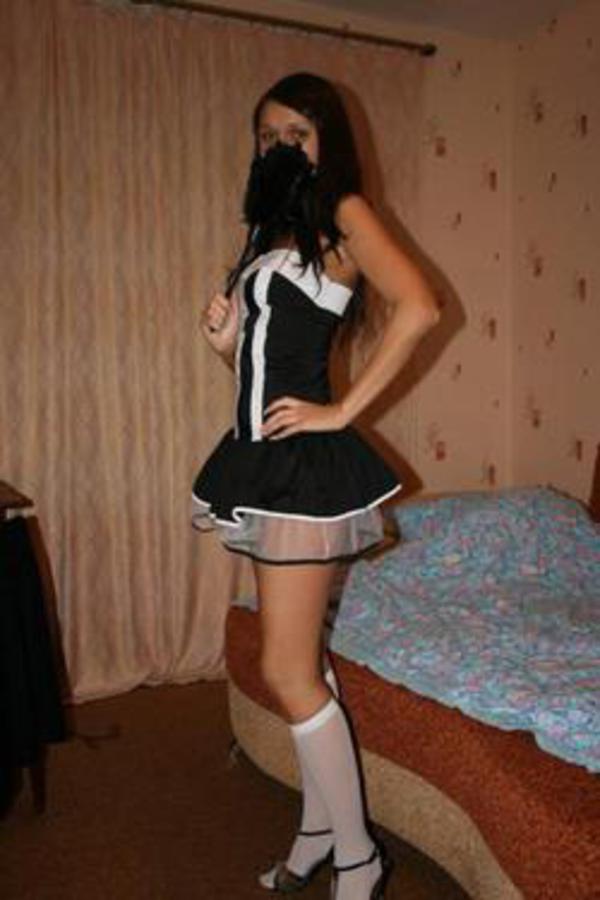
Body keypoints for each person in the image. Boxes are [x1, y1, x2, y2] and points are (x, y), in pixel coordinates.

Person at [192, 72, 440, 900]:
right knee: (302, 663)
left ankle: (360, 859)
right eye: (268, 136)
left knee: (287, 670)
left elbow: (420, 307)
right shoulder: (272, 232)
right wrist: (226, 347)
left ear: (326, 139)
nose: (280, 147)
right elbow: (268, 369)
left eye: (296, 133)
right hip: (264, 463)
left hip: (302, 468)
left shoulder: (343, 210)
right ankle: (317, 833)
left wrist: (343, 413)